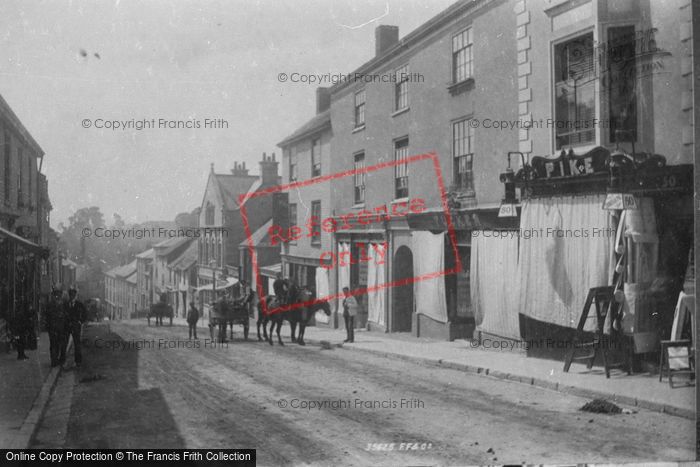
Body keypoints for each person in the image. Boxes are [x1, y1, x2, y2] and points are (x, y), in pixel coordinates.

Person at [64, 287, 87, 367]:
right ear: (69, 295)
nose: (72, 297)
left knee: (77, 344)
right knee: (64, 343)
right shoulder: (66, 304)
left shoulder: (79, 305)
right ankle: (63, 360)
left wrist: (80, 321)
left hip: (76, 326)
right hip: (67, 327)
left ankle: (78, 361)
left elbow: (85, 314)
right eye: (71, 295)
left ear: (75, 295)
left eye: (73, 295)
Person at [46, 288, 67, 367]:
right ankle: (54, 360)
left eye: (59, 295)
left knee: (55, 344)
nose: (58, 297)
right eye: (57, 295)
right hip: (55, 328)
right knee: (55, 344)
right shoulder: (53, 305)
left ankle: (55, 360)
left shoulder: (61, 304)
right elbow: (48, 316)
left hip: (58, 328)